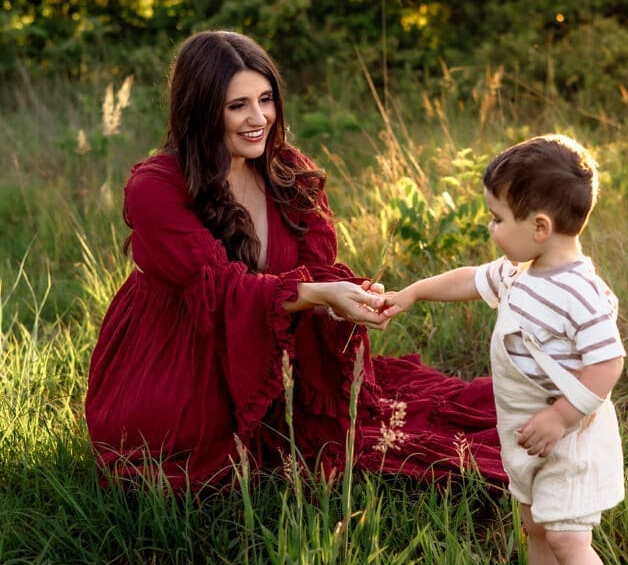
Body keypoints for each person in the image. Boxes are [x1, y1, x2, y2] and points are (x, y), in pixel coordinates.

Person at [84, 30, 505, 491]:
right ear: (201, 109)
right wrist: (315, 293)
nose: (258, 118)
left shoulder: (288, 173)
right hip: (180, 354)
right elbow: (219, 289)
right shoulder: (157, 187)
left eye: (265, 99)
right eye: (237, 105)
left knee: (373, 433)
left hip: (276, 348)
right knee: (204, 458)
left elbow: (318, 267)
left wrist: (342, 300)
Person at [381, 134, 626, 565]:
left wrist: (561, 416)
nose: (490, 228)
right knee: (535, 526)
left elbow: (608, 363)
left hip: (570, 434)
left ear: (539, 227)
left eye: (496, 219)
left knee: (568, 539)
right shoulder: (520, 272)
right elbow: (470, 280)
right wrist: (413, 293)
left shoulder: (581, 292)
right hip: (526, 430)